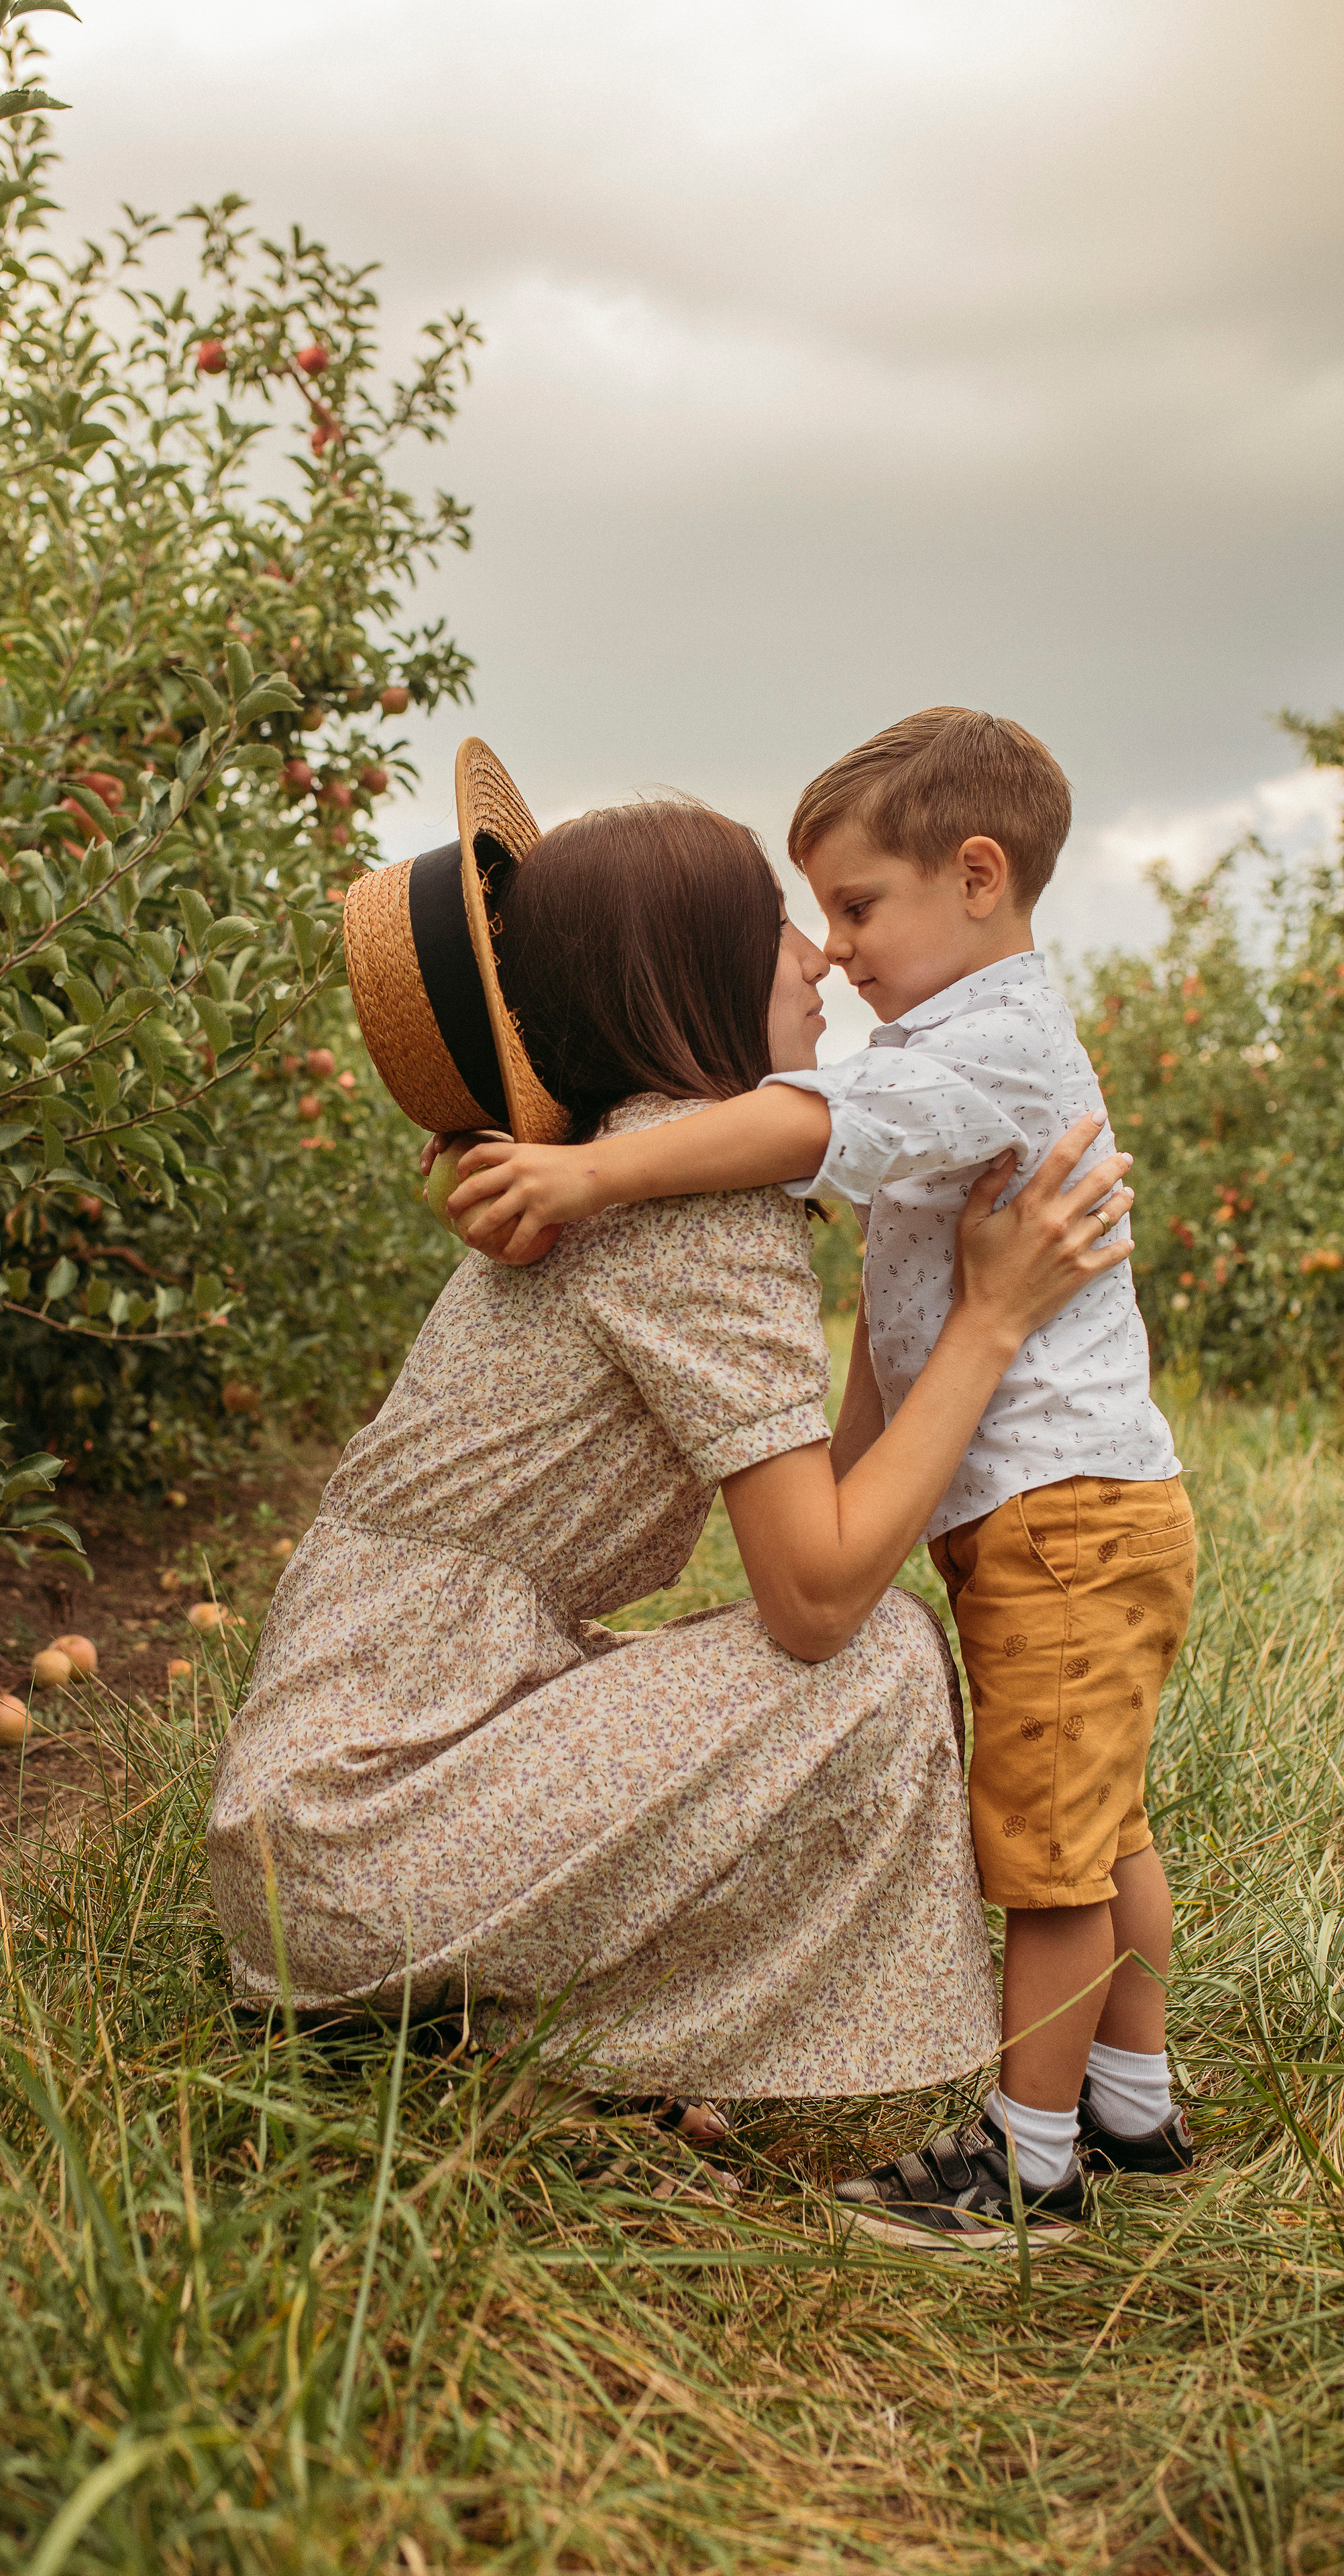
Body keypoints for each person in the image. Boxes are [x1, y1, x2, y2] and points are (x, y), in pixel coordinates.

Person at [208, 738, 1132, 2177]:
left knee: (842, 1655)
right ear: (688, 967)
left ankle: (468, 2017)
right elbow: (813, 1596)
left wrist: (922, 1319)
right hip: (364, 1821)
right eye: (778, 919)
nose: (817, 961)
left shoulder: (635, 1161)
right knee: (873, 1659)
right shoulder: (688, 1211)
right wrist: (991, 1321)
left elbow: (823, 1486)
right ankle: (529, 2018)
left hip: (341, 1789)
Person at [446, 708, 1196, 2248]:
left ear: (975, 877)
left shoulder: (990, 1048)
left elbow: (807, 1125)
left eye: (857, 907)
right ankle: (1130, 2103)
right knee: (1100, 1825)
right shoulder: (945, 1045)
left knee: (1047, 1858)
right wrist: (845, 1481)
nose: (834, 951)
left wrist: (591, 1171)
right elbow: (896, 1323)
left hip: (1063, 1516)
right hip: (1058, 1512)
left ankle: (1028, 2159)